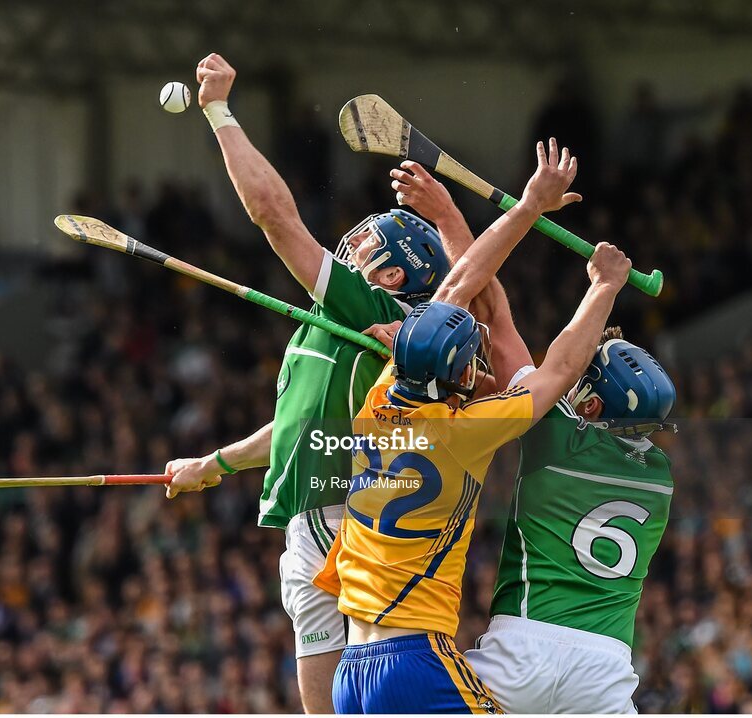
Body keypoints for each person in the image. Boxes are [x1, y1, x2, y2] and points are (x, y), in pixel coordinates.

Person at [161, 52, 476, 713]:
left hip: (345, 517)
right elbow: (299, 429)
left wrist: (218, 111)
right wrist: (215, 461)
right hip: (308, 519)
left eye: (370, 251)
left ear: (396, 276)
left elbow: (274, 214)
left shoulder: (377, 313)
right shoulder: (328, 323)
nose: (352, 252)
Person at [316, 141, 635, 713]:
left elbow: (456, 286)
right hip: (416, 660)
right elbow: (560, 370)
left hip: (351, 670)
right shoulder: (469, 430)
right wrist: (603, 287)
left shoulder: (381, 394)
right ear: (460, 370)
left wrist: (527, 206)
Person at [464, 326, 677, 714]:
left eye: (582, 386)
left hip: (522, 647)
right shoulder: (661, 475)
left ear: (592, 406)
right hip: (606, 667)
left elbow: (500, 325)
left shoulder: (557, 434)